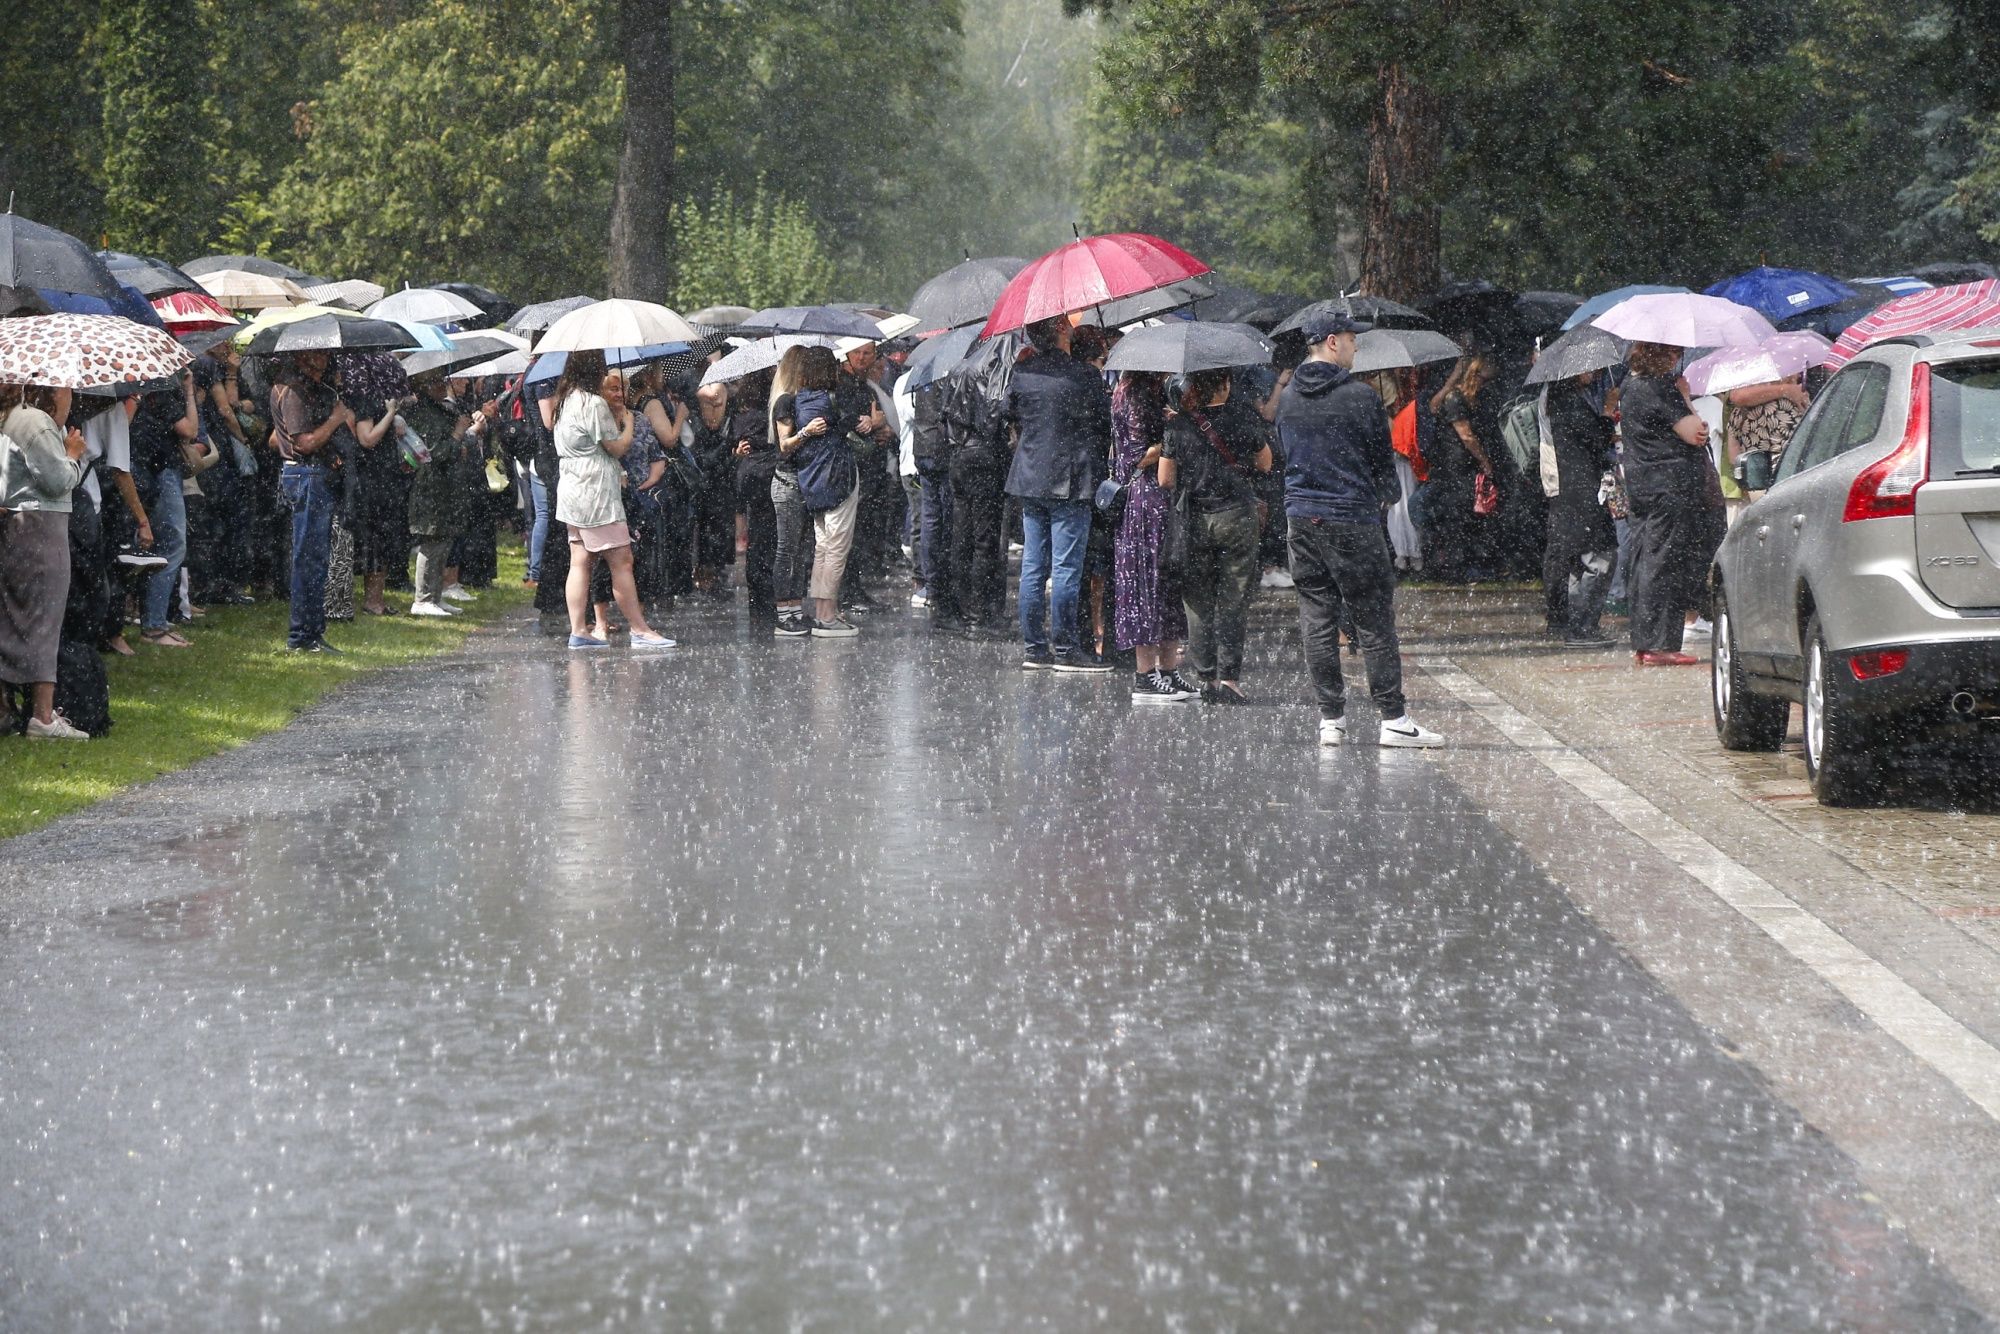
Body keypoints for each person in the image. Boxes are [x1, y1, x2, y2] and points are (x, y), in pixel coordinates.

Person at [1275, 310, 1444, 748]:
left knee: (1316, 617)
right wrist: (1383, 495)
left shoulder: (1289, 397)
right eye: (1351, 338)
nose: (1355, 346)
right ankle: (1392, 717)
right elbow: (1382, 464)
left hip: (1301, 519)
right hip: (1351, 518)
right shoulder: (1359, 397)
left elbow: (1286, 454)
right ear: (1332, 342)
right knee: (1372, 618)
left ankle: (1330, 718)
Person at [1002, 316, 1113, 673]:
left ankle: (1034, 647)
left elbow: (1010, 414)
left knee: (1034, 566)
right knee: (1066, 566)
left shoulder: (1022, 373)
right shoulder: (1084, 376)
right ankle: (1066, 647)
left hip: (1031, 476)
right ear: (1062, 331)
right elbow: (1101, 424)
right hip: (1071, 478)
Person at [1159, 367, 1273, 704]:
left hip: (1194, 518)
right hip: (1237, 515)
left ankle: (1206, 677)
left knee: (1197, 601)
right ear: (1224, 384)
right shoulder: (1243, 416)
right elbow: (1265, 463)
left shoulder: (1178, 424)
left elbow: (1165, 479)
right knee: (1234, 599)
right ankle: (1230, 679)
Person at [553, 349, 674, 650]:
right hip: (596, 493)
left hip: (571, 489)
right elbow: (617, 447)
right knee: (622, 560)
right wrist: (630, 423)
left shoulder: (565, 401)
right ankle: (640, 628)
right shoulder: (593, 403)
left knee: (580, 561)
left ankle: (579, 629)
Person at [0, 382, 89, 738]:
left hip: (14, 524)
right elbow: (57, 481)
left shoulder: (9, 417)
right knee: (44, 616)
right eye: (67, 388)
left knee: (10, 618)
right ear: (52, 389)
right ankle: (43, 716)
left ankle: (5, 710)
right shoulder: (35, 422)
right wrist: (72, 453)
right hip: (41, 526)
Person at [1619, 342, 1713, 666]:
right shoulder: (1661, 388)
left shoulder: (1629, 386)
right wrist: (1686, 397)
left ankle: (1645, 641)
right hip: (1670, 485)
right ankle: (1660, 645)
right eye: (1673, 352)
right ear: (1658, 354)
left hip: (1643, 484)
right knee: (1666, 562)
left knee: (1644, 559)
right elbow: (1696, 434)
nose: (1677, 358)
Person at [1110, 370, 1193, 702]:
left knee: (1167, 581)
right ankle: (1145, 675)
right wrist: (1173, 434)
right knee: (1147, 582)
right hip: (1146, 500)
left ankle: (1169, 670)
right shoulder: (1136, 395)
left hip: (1159, 500)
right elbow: (1137, 456)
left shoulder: (1149, 391)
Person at [269, 351, 355, 653]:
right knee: (308, 558)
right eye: (317, 353)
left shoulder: (303, 389)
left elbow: (275, 439)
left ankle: (312, 633)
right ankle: (302, 637)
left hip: (311, 475)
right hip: (306, 475)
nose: (323, 359)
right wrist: (334, 419)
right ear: (301, 355)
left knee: (316, 557)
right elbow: (303, 444)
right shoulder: (292, 390)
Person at [774, 346, 861, 638]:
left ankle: (821, 609)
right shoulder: (833, 399)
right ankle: (826, 615)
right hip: (838, 478)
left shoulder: (797, 402)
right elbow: (855, 421)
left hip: (812, 481)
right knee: (836, 547)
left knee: (823, 547)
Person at [1541, 371, 1620, 647]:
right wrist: (1609, 412)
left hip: (1575, 490)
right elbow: (1595, 439)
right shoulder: (1569, 403)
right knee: (1599, 558)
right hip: (1581, 490)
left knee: (1580, 559)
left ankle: (1578, 625)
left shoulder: (1562, 400)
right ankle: (1582, 627)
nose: (1595, 372)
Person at [128, 374, 201, 648]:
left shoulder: (134, 385)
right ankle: (154, 624)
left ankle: (146, 617)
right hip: (160, 471)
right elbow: (190, 430)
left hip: (138, 468)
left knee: (145, 548)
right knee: (172, 546)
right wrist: (189, 391)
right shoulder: (163, 387)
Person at [403, 372, 466, 619]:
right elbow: (435, 452)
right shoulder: (423, 413)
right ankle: (423, 598)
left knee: (444, 539)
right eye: (436, 381)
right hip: (431, 486)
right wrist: (458, 434)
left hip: (446, 485)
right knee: (432, 539)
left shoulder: (439, 410)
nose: (443, 384)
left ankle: (436, 596)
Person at [1431, 354, 1500, 581]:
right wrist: (1484, 461)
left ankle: (1472, 563)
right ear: (1475, 376)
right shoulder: (1455, 399)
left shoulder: (1473, 399)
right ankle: (1458, 567)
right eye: (1484, 379)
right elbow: (1466, 436)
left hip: (1465, 466)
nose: (1486, 385)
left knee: (1473, 515)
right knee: (1459, 516)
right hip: (1456, 466)